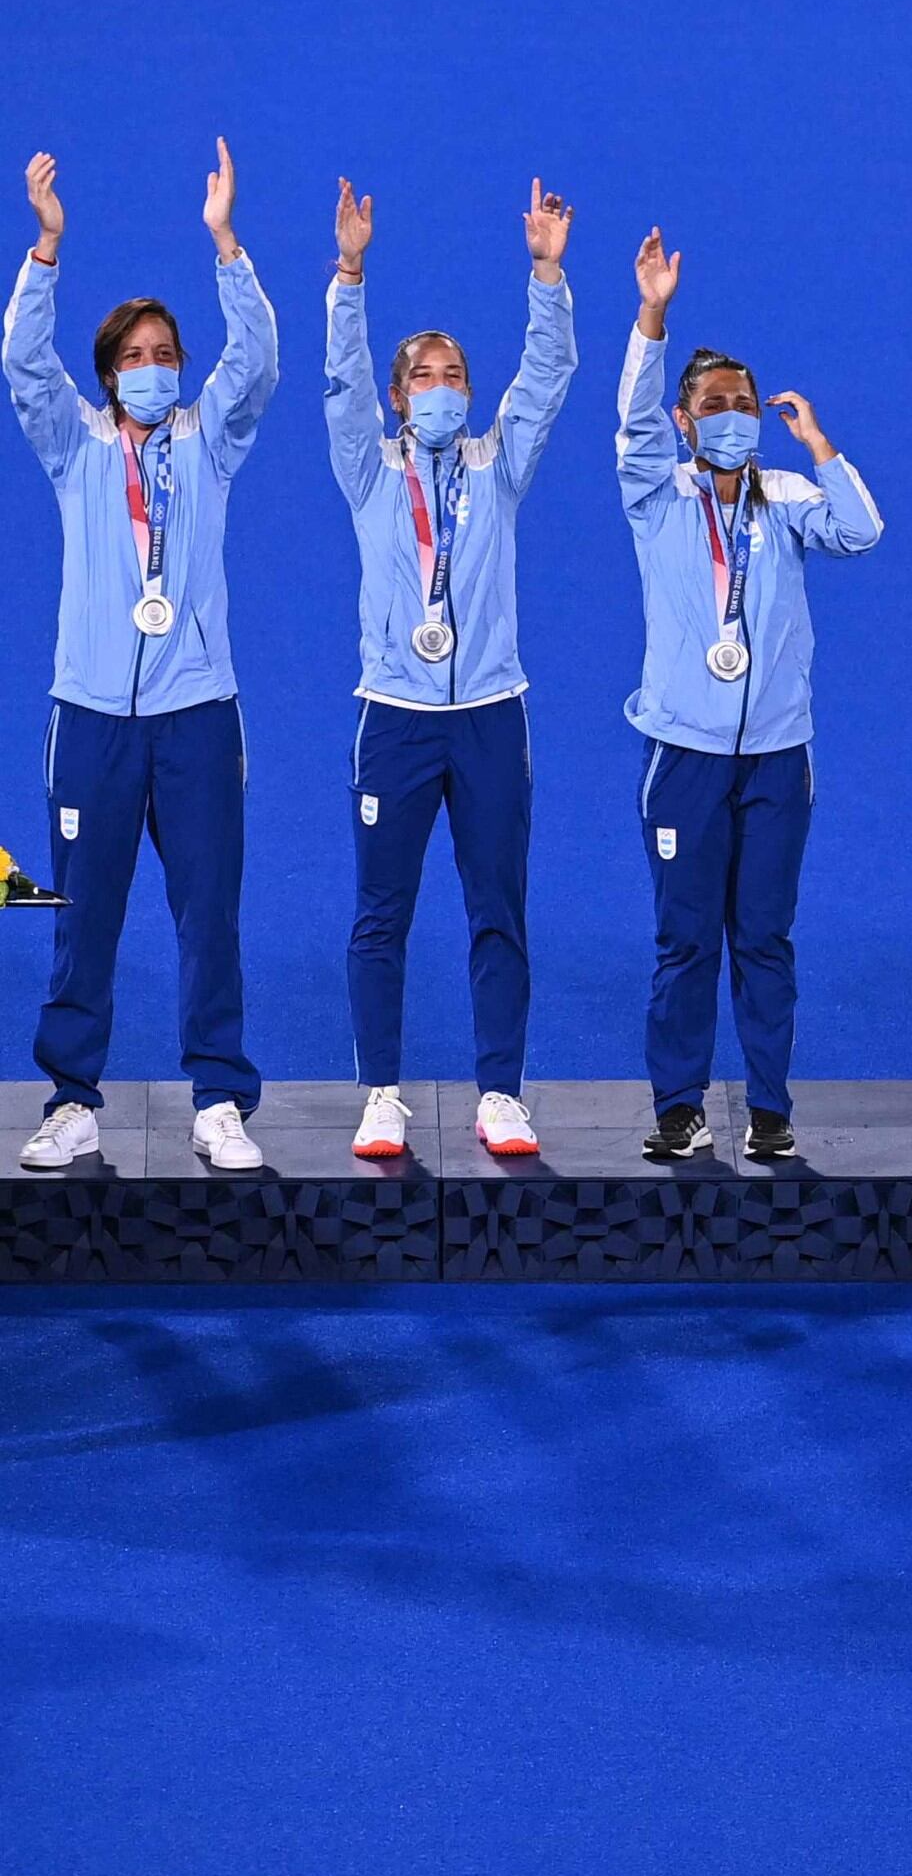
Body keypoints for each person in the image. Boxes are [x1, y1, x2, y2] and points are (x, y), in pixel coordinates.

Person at [12, 143, 276, 1177]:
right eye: (137, 355)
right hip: (89, 718)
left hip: (199, 713)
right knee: (83, 917)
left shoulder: (208, 445)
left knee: (210, 915)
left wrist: (225, 245)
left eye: (168, 351)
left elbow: (256, 361)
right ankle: (73, 1100)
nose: (158, 366)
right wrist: (45, 248)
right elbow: (22, 365)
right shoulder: (76, 448)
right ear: (110, 373)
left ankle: (219, 1100)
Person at [323, 177, 575, 1163]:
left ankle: (500, 1093)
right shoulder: (367, 467)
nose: (441, 385)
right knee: (380, 912)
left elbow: (546, 378)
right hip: (393, 714)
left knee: (496, 907)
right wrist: (350, 273)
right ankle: (380, 1094)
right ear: (399, 396)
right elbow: (339, 379)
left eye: (454, 372)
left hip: (489, 716)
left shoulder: (495, 468)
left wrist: (546, 272)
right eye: (423, 374)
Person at [618, 229, 881, 1165]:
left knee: (764, 937)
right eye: (714, 406)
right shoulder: (656, 496)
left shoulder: (787, 492)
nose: (733, 417)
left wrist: (824, 444)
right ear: (685, 421)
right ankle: (679, 1108)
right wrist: (652, 317)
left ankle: (770, 1108)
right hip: (684, 753)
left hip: (777, 755)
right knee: (686, 939)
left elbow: (862, 532)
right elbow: (632, 422)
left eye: (745, 405)